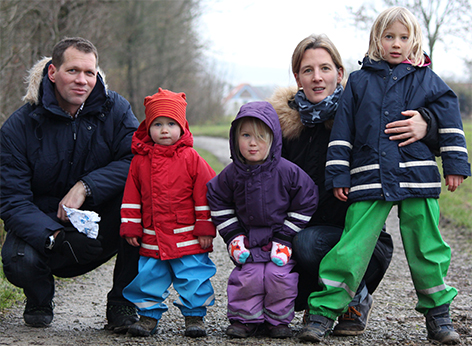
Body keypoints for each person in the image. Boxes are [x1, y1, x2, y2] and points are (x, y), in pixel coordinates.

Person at [301, 7, 471, 344]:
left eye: (404, 37)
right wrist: (339, 175)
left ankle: (439, 316)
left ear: (414, 41)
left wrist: (454, 166)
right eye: (389, 36)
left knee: (427, 247)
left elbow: (450, 123)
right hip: (368, 177)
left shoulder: (429, 81)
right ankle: (323, 312)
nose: (396, 43)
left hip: (417, 178)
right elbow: (343, 132)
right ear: (376, 39)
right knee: (351, 246)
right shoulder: (360, 82)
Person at [268, 33, 443, 337]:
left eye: (325, 68)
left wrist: (427, 124)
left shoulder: (364, 115)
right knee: (279, 276)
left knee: (308, 243)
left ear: (340, 73)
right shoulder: (282, 126)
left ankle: (355, 298)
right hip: (301, 233)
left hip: (363, 239)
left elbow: (425, 113)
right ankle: (318, 296)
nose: (317, 77)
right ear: (297, 77)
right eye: (308, 70)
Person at [0, 37, 141, 331]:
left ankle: (122, 303)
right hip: (47, 228)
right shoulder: (19, 126)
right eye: (73, 71)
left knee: (146, 203)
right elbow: (12, 200)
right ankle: (39, 296)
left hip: (101, 221)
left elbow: (136, 161)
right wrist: (55, 236)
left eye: (90, 73)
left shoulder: (115, 110)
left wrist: (86, 186)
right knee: (18, 260)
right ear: (53, 72)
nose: (82, 80)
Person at [206, 101, 319, 339]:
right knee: (248, 277)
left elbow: (307, 198)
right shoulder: (232, 174)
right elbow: (217, 198)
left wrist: (286, 235)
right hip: (248, 240)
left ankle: (277, 320)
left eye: (260, 136)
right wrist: (234, 236)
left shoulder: (287, 171)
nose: (253, 142)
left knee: (280, 277)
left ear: (274, 139)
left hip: (280, 240)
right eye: (245, 135)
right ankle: (245, 319)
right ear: (235, 138)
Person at [120, 88, 217, 338]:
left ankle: (194, 316)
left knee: (193, 275)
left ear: (182, 126)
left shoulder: (191, 158)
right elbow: (132, 197)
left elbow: (205, 195)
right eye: (158, 124)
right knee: (149, 276)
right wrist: (131, 226)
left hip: (188, 236)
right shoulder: (140, 161)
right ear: (148, 127)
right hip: (153, 235)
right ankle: (148, 316)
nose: (164, 130)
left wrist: (206, 228)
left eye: (171, 124)